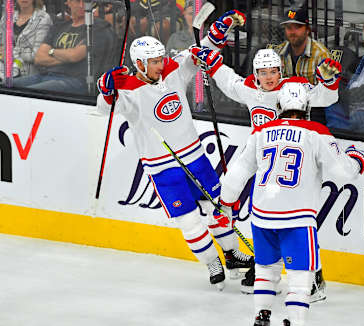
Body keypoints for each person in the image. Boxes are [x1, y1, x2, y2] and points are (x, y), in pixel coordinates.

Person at [96, 11, 253, 291]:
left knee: (217, 209)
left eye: (160, 59)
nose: (160, 64)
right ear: (140, 64)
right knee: (190, 222)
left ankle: (231, 254)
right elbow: (104, 108)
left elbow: (201, 52)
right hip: (162, 168)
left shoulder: (172, 68)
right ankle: (212, 263)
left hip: (194, 157)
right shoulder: (128, 90)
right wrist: (107, 89)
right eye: (154, 61)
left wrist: (221, 28)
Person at [215, 82, 364, 326]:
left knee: (266, 269)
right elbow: (343, 173)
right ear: (306, 108)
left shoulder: (261, 131)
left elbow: (237, 172)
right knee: (300, 279)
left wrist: (226, 202)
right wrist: (357, 159)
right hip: (296, 217)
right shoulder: (316, 132)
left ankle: (260, 322)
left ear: (280, 107)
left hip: (262, 215)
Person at [189, 45, 342, 300]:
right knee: (259, 217)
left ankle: (314, 277)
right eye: (263, 72)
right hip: (264, 163)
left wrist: (328, 82)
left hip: (296, 164)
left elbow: (326, 98)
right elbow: (229, 82)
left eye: (274, 71)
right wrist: (212, 61)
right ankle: (257, 267)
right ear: (255, 73)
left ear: (281, 71)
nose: (269, 77)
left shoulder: (293, 89)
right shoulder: (250, 87)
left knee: (299, 221)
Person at [13, 0, 113, 94]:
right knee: (7, 85)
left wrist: (51, 52)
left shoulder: (99, 27)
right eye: (77, 1)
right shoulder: (59, 26)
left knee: (26, 93)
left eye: (86, 1)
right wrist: (67, 56)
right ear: (68, 2)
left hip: (76, 80)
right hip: (46, 75)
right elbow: (39, 58)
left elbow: (74, 56)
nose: (82, 5)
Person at [268, 6, 331, 85]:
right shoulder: (277, 52)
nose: (292, 32)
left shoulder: (322, 54)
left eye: (297, 27)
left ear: (307, 30)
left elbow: (328, 91)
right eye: (289, 27)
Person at [0, 0, 52, 80]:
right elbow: (2, 47)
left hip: (28, 71)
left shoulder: (43, 18)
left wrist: (10, 53)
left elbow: (36, 55)